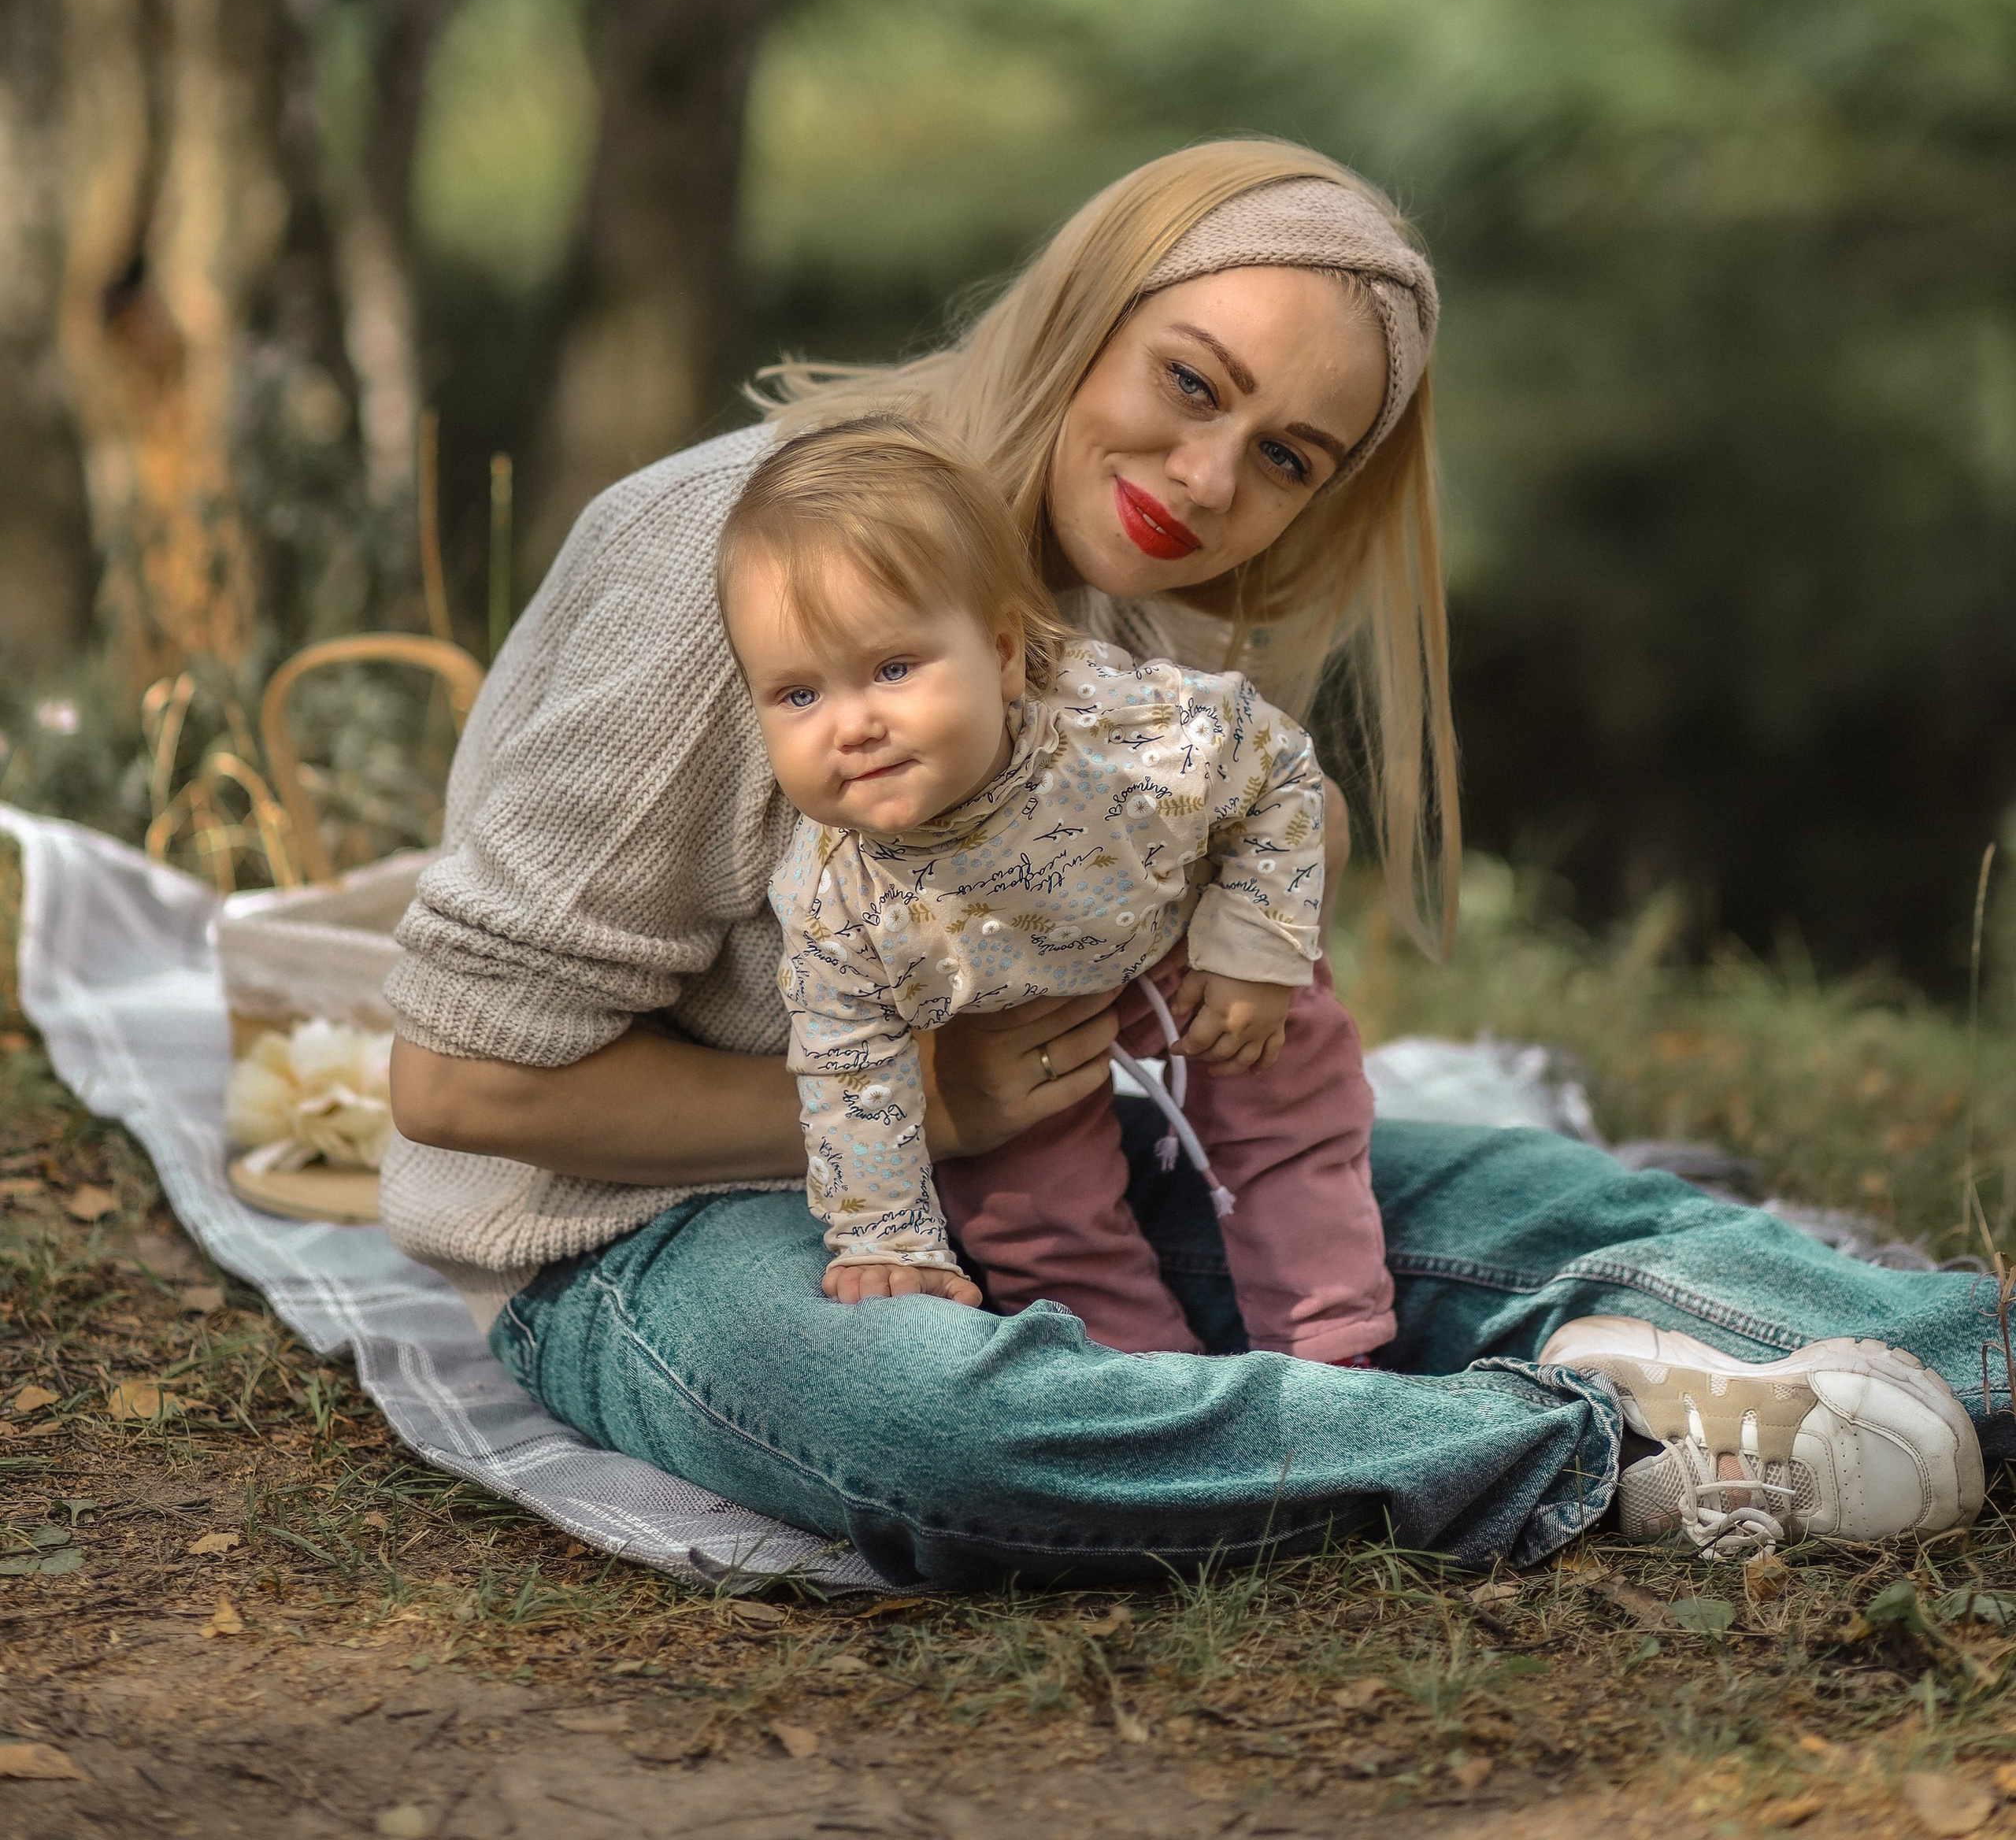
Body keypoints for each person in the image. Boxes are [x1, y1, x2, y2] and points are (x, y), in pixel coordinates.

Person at [384, 141, 1997, 1583]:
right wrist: (941, 1107)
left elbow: (1232, 897)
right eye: (1190, 382)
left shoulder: (1122, 613)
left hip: (1083, 1146)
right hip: (655, 1222)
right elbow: (460, 1092)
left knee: (1522, 1200)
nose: (1210, 481)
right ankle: (1617, 1448)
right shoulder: (728, 557)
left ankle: (1966, 1366)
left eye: (1290, 456)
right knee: (937, 1433)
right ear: (1083, 310)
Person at [721, 421, 1395, 1361]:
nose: (853, 724)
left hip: (1174, 949)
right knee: (1032, 1215)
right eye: (798, 695)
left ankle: (1333, 1344)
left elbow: (1279, 768)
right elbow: (849, 1073)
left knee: (1288, 1093)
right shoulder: (834, 893)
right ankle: (1146, 1387)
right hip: (1004, 1029)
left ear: (1001, 655)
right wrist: (890, 1240)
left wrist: (1255, 953)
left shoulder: (1116, 732)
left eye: (891, 669)